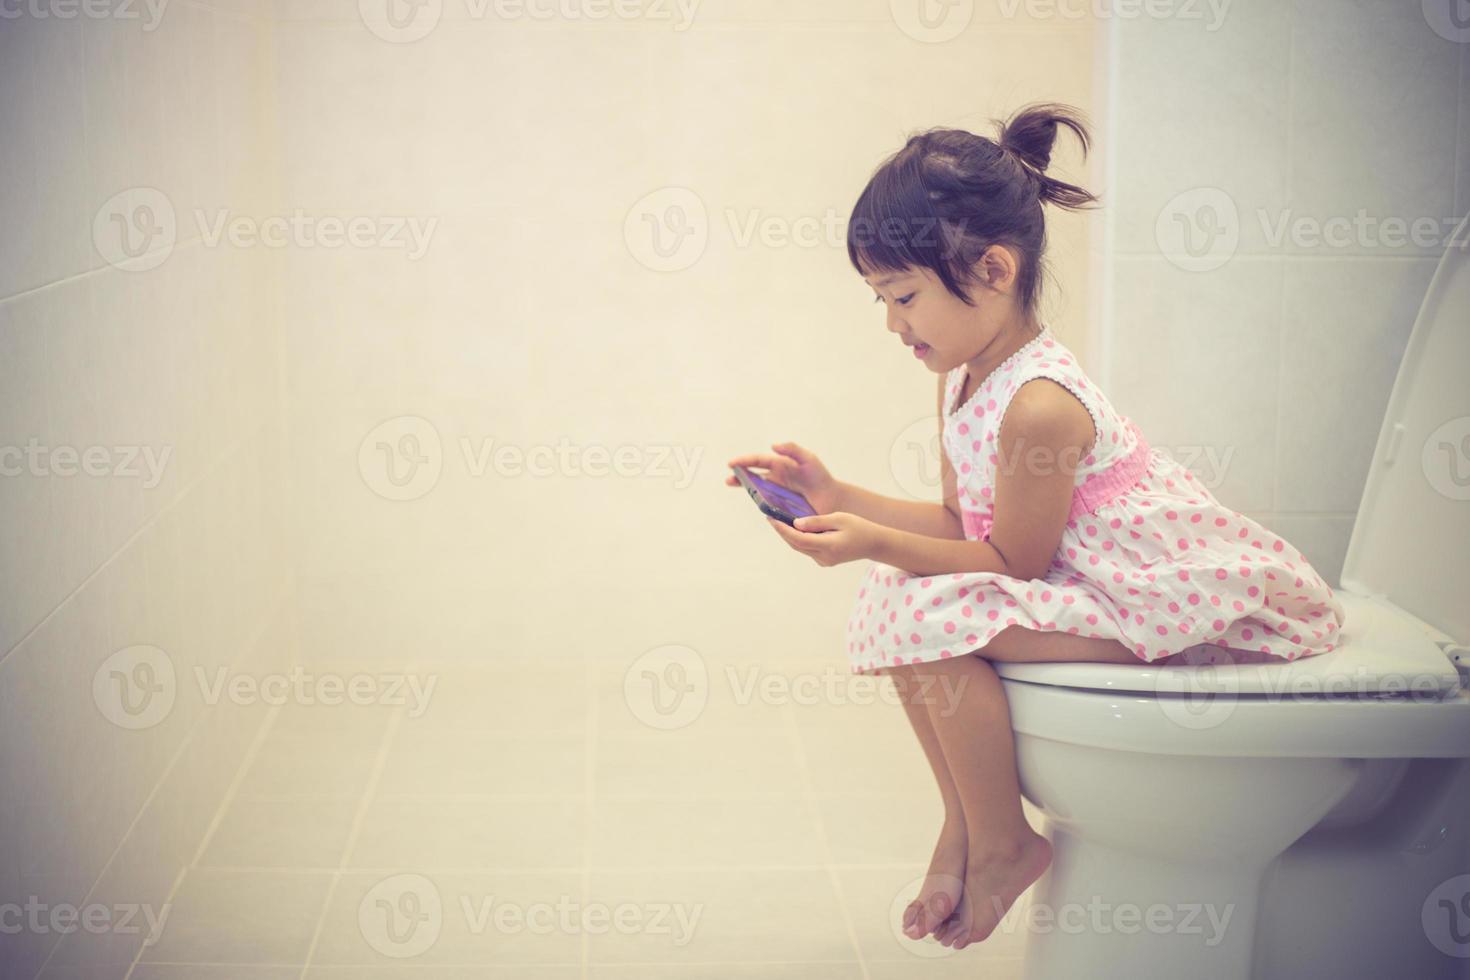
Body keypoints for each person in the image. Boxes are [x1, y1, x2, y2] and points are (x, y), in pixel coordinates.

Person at [724, 102, 1346, 951]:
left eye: (903, 296)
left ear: (993, 270)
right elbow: (958, 521)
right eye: (881, 298)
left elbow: (1011, 559)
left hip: (1149, 597)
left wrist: (875, 543)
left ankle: (1004, 840)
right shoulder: (964, 376)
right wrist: (841, 498)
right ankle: (965, 823)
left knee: (927, 607)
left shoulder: (1040, 406)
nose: (891, 324)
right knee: (906, 592)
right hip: (1071, 578)